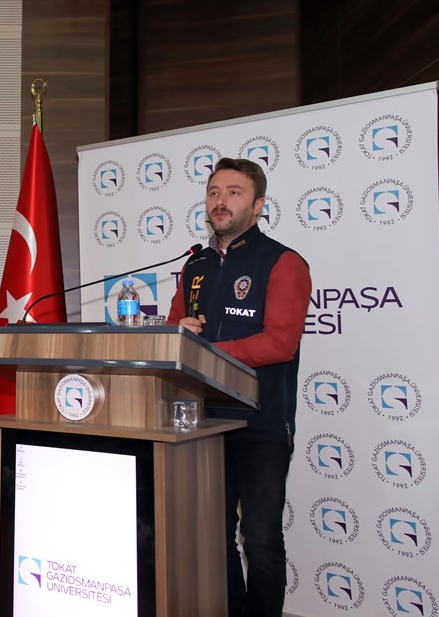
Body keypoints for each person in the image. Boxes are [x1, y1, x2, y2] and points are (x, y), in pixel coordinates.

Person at [168, 157, 311, 617]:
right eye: (214, 193)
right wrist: (178, 332)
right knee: (213, 535)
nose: (221, 201)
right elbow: (174, 330)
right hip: (205, 422)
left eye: (233, 193)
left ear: (258, 204)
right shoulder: (195, 265)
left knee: (261, 538)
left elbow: (280, 343)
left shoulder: (283, 262)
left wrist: (207, 350)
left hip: (262, 423)